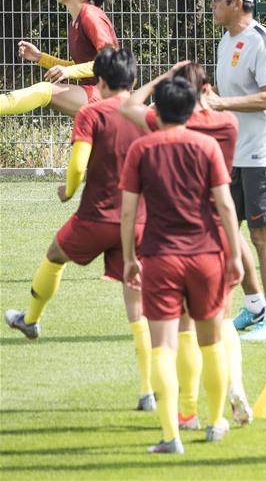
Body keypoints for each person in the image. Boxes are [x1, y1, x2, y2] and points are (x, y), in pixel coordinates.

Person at [3, 47, 156, 411]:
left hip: (96, 216)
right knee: (137, 308)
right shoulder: (148, 115)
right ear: (133, 81)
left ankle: (30, 320)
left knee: (55, 255)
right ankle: (147, 391)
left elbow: (77, 166)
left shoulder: (91, 112)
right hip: (137, 224)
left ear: (99, 82)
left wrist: (68, 191)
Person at [119, 61, 254, 429]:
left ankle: (186, 413)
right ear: (204, 90)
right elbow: (226, 202)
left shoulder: (153, 136)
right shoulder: (225, 127)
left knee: (180, 332)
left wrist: (161, 81)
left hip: (164, 245)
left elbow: (129, 106)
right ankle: (234, 387)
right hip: (213, 237)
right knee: (219, 323)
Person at [200, 0, 266, 342]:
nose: (212, 7)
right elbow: (226, 94)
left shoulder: (261, 40)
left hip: (262, 156)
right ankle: (253, 306)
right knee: (223, 230)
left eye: (218, 1)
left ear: (236, 4)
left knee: (262, 237)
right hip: (232, 155)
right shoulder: (225, 40)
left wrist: (223, 102)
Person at [1, 0, 117, 117]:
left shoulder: (91, 16)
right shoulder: (75, 21)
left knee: (43, 91)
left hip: (112, 97)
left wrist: (69, 71)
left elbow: (109, 63)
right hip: (98, 94)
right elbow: (79, 67)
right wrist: (39, 57)